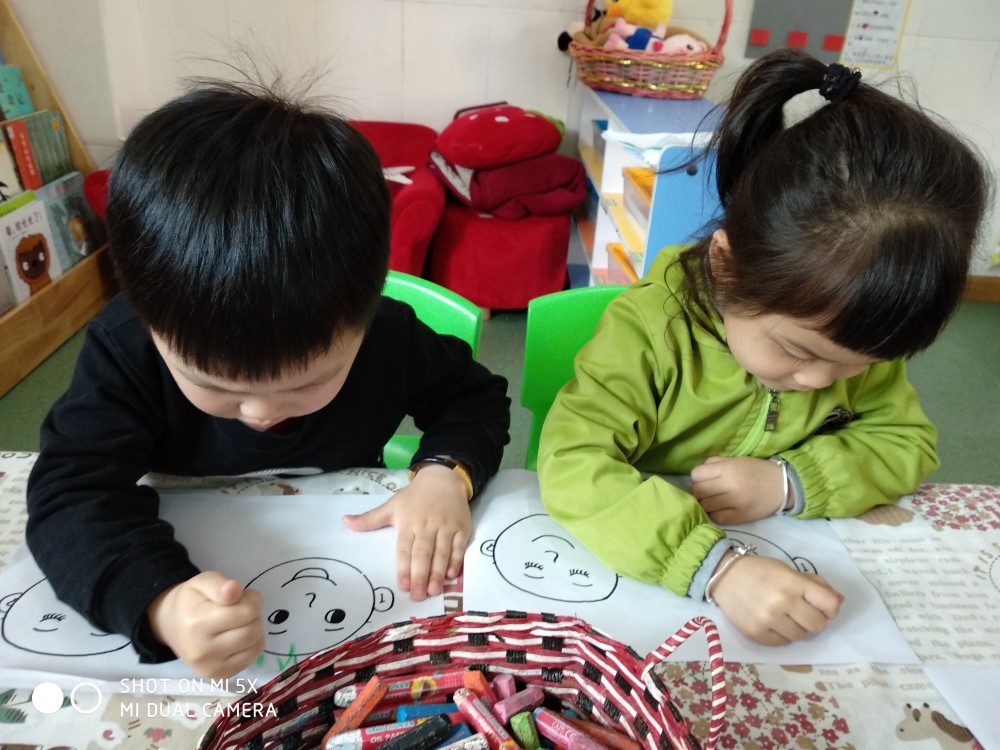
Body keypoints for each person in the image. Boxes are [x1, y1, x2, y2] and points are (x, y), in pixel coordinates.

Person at [25, 79, 511, 679]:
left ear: (362, 319)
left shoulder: (387, 336)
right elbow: (71, 493)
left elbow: (474, 398)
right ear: (151, 325)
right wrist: (159, 601)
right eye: (217, 387)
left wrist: (443, 474)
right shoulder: (126, 349)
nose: (261, 413)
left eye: (306, 384)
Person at [537, 49, 990, 646]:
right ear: (726, 267)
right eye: (799, 352)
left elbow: (906, 442)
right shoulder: (650, 330)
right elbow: (573, 461)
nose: (821, 381)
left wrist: (787, 482)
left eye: (859, 364)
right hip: (641, 565)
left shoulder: (850, 343)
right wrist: (717, 568)